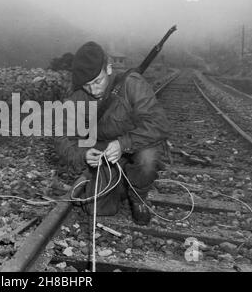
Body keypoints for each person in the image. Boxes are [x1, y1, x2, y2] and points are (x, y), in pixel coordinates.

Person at [55, 41, 169, 225]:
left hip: (138, 148)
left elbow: (159, 124)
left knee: (148, 157)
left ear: (108, 68)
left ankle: (138, 197)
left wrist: (123, 144)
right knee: (97, 209)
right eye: (87, 85)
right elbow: (62, 138)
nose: (94, 90)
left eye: (97, 82)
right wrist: (83, 155)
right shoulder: (78, 98)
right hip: (106, 154)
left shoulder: (131, 84)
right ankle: (122, 182)